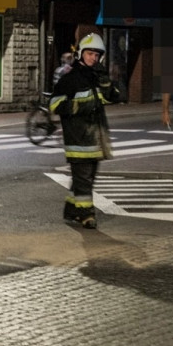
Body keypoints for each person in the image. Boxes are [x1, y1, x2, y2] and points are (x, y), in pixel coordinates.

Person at [49, 33, 120, 229]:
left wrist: (105, 80)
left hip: (95, 138)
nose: (93, 58)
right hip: (78, 139)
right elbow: (55, 105)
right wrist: (84, 104)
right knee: (84, 180)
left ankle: (71, 210)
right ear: (81, 54)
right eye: (90, 54)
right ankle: (86, 214)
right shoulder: (70, 79)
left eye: (97, 55)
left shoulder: (96, 76)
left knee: (85, 180)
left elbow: (113, 97)